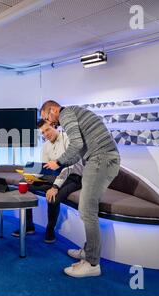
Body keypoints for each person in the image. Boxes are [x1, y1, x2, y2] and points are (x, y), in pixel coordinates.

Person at [41, 100, 120, 278]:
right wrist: (59, 163)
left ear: (53, 110)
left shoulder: (66, 114)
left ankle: (92, 263)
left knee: (87, 210)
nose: (50, 123)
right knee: (87, 210)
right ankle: (88, 251)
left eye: (47, 118)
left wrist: (58, 161)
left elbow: (75, 145)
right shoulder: (74, 114)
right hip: (98, 159)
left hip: (101, 159)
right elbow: (77, 152)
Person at [11, 119, 83, 244]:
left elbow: (68, 167)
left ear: (54, 126)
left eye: (47, 130)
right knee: (24, 184)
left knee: (53, 197)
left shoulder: (68, 139)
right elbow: (44, 167)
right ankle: (28, 225)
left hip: (73, 177)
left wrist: (55, 187)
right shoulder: (46, 145)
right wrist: (31, 176)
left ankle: (50, 229)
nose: (46, 134)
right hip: (54, 176)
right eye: (43, 133)